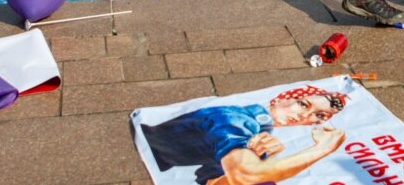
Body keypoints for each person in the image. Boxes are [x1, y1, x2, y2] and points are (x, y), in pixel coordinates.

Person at [140, 85, 347, 185]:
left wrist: (261, 163)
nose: (305, 115)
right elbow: (246, 174)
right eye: (303, 104)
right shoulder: (239, 119)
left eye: (319, 115)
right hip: (152, 149)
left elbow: (221, 182)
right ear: (280, 98)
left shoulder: (261, 135)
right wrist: (323, 148)